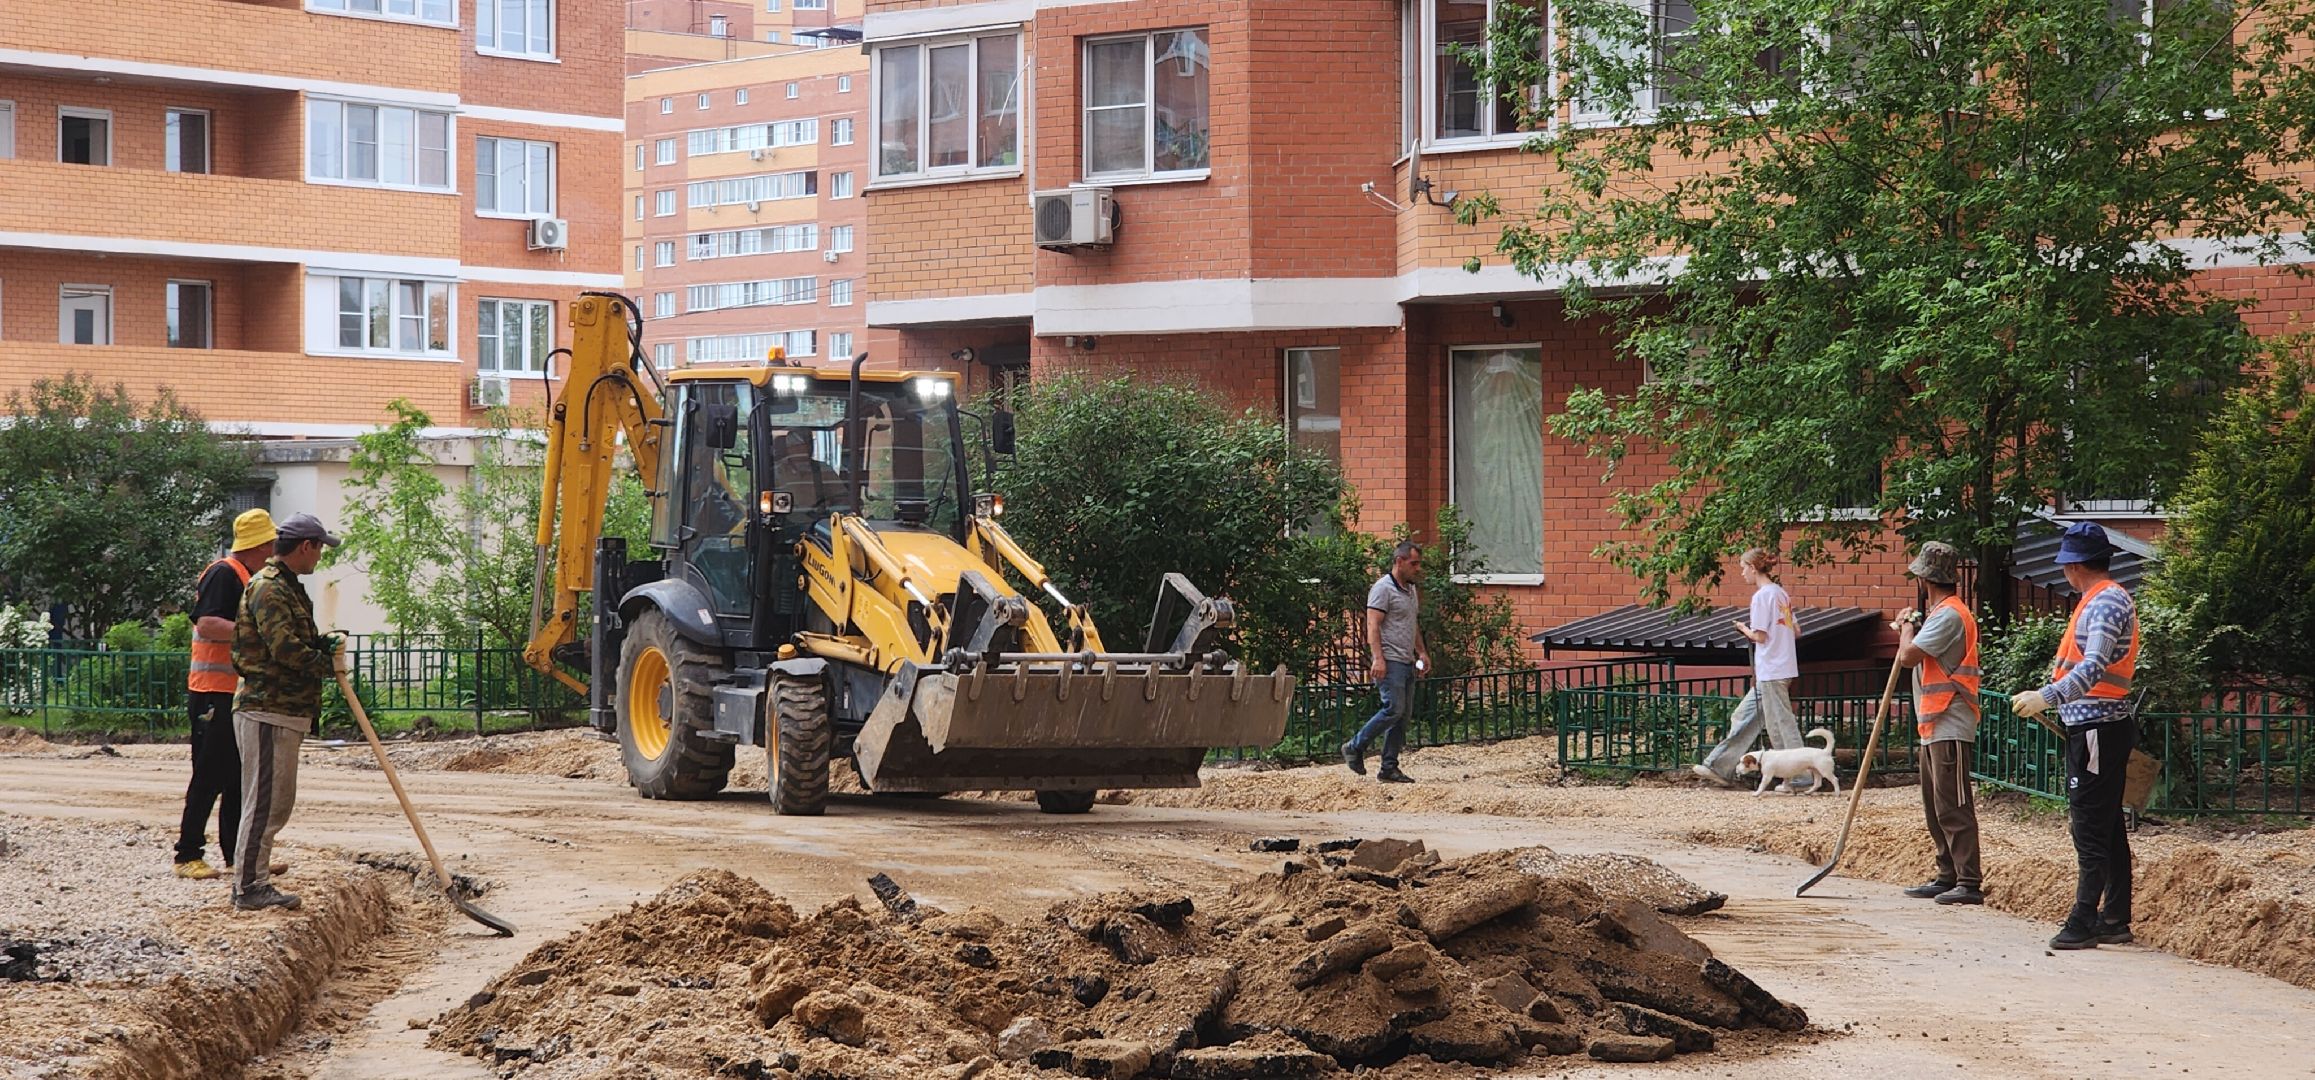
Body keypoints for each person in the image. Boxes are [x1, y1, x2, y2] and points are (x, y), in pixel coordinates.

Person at [2012, 522, 2140, 951]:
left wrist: (2046, 697)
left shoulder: (2104, 603)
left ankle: (2084, 920)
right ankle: (2114, 918)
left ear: (2074, 566)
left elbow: (2093, 666)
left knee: (2088, 824)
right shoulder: (2103, 599)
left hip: (2097, 728)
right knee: (2106, 823)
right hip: (2097, 726)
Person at [229, 513, 346, 913]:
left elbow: (296, 639)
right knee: (264, 803)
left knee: (277, 803)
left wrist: (323, 644)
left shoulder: (288, 587)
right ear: (305, 546)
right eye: (320, 548)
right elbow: (284, 649)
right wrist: (326, 664)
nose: (320, 557)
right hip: (267, 709)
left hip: (285, 710)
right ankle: (249, 887)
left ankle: (254, 880)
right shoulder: (269, 588)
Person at [172, 509, 275, 881]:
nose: (274, 551)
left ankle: (237, 856)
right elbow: (208, 623)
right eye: (271, 544)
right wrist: (256, 633)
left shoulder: (244, 576)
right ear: (260, 545)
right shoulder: (224, 574)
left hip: (232, 694)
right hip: (212, 694)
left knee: (237, 777)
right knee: (209, 775)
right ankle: (187, 854)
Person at [1894, 541, 1985, 905]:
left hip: (1950, 720)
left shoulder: (1949, 615)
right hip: (1933, 722)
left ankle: (1968, 881)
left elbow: (1908, 656)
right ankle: (1947, 874)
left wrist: (1905, 627)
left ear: (1925, 579)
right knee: (1936, 806)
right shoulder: (1939, 614)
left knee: (1954, 805)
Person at [1694, 548, 1804, 788]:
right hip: (1778, 667)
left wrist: (1743, 629)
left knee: (1781, 725)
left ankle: (1800, 776)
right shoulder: (1781, 594)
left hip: (1772, 668)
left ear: (1753, 568)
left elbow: (1760, 636)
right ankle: (1719, 765)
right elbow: (1796, 631)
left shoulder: (1762, 597)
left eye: (1743, 568)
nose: (1742, 573)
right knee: (1744, 716)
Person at [1342, 541, 1431, 784]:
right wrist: (1378, 658)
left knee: (1402, 717)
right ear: (1399, 561)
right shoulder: (1382, 589)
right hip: (1390, 661)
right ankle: (1354, 746)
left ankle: (1389, 767)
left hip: (1406, 660)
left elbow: (1412, 624)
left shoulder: (1410, 590)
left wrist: (1421, 653)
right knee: (1393, 708)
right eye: (1414, 563)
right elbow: (1373, 625)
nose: (1417, 568)